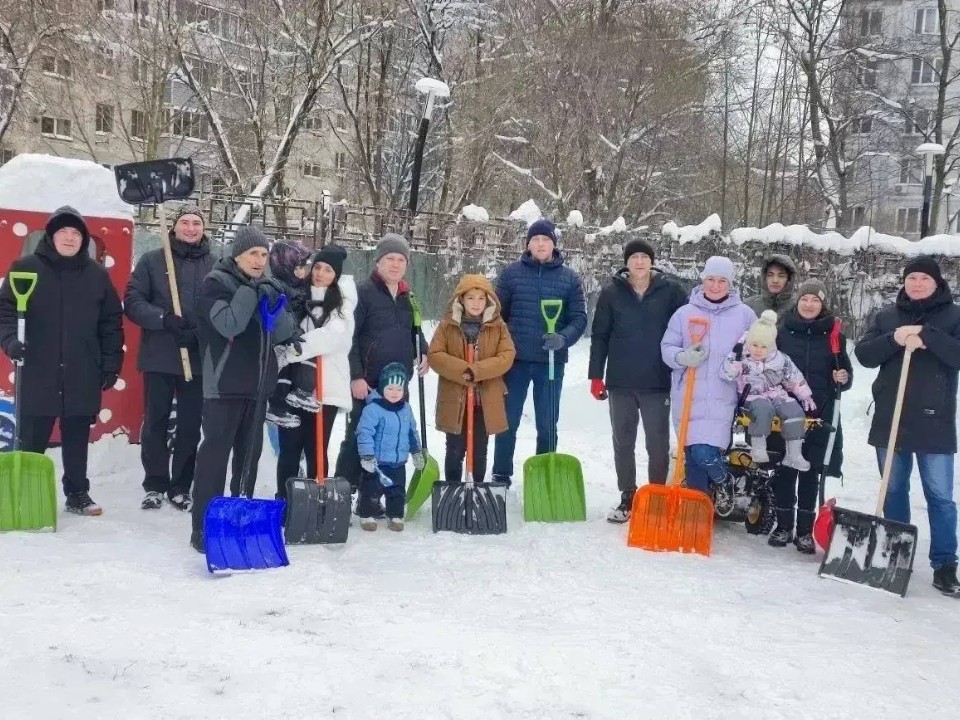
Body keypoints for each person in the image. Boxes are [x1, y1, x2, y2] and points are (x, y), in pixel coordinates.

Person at [0, 206, 124, 515]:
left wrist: (110, 363)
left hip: (82, 370)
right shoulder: (25, 268)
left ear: (83, 240)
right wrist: (10, 341)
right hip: (37, 369)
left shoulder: (97, 276)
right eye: (63, 232)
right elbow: (4, 312)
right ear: (51, 236)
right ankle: (24, 495)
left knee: (77, 438)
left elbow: (111, 323)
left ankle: (78, 494)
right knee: (31, 436)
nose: (70, 238)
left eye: (76, 233)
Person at [189, 226, 299, 552]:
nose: (259, 260)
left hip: (259, 385)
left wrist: (276, 305)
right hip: (223, 387)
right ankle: (204, 528)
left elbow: (283, 332)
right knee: (214, 459)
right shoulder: (215, 285)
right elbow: (229, 324)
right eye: (253, 253)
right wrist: (252, 292)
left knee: (249, 460)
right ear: (237, 254)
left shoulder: (266, 285)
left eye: (264, 255)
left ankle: (237, 520)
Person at [855, 256, 960, 596]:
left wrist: (927, 336)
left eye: (924, 279)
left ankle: (945, 565)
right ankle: (896, 555)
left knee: (940, 497)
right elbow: (865, 355)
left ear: (936, 282)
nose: (917, 283)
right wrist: (895, 339)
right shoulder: (887, 316)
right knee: (894, 489)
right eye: (911, 278)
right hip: (892, 418)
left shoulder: (955, 315)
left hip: (935, 420)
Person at [589, 238, 688, 523]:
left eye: (645, 257)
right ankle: (628, 497)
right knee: (623, 440)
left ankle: (656, 496)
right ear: (627, 262)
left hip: (657, 380)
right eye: (634, 257)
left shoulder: (671, 293)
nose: (640, 262)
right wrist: (596, 375)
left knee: (657, 443)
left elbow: (685, 330)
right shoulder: (612, 294)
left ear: (652, 261)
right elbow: (600, 336)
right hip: (620, 381)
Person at [124, 204, 214, 512]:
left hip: (198, 359)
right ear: (174, 227)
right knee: (156, 422)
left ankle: (180, 486)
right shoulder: (153, 261)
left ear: (204, 229)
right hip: (160, 355)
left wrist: (198, 333)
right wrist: (163, 319)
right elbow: (132, 301)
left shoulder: (215, 266)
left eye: (197, 223)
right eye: (185, 222)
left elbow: (222, 309)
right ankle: (155, 483)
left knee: (190, 424)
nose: (191, 227)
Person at [492, 218, 587, 487]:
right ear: (528, 244)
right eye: (536, 239)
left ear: (554, 245)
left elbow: (579, 318)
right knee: (508, 419)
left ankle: (544, 470)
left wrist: (563, 338)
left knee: (547, 422)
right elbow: (497, 315)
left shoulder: (569, 278)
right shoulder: (511, 274)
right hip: (515, 362)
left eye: (546, 240)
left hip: (551, 362)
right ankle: (501, 473)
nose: (541, 244)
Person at [336, 234, 427, 492]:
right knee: (359, 436)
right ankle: (344, 488)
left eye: (401, 259)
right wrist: (356, 376)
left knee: (390, 438)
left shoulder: (407, 297)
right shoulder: (363, 294)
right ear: (378, 262)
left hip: (397, 382)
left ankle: (376, 492)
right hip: (368, 383)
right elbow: (350, 338)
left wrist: (424, 351)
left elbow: (415, 331)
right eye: (390, 258)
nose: (395, 264)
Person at [660, 256, 755, 493]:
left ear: (730, 283)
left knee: (705, 451)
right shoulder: (684, 313)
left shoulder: (744, 315)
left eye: (722, 280)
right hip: (688, 396)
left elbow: (759, 353)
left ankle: (724, 484)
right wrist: (682, 357)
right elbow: (667, 348)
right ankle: (698, 514)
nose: (715, 285)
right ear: (703, 280)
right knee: (692, 456)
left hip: (723, 396)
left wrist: (740, 366)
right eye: (711, 279)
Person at [772, 279, 852, 553]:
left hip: (820, 410)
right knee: (784, 467)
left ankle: (805, 531)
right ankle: (783, 526)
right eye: (805, 299)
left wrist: (842, 376)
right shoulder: (782, 331)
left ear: (822, 304)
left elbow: (846, 375)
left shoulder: (834, 336)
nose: (809, 304)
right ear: (798, 301)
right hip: (787, 411)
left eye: (815, 300)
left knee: (809, 470)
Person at [274, 244, 356, 496]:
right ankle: (286, 501)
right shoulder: (298, 297)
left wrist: (292, 350)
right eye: (317, 267)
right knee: (289, 447)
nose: (320, 273)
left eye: (327, 270)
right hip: (293, 385)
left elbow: (331, 337)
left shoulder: (342, 306)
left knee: (316, 449)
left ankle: (315, 502)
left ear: (336, 275)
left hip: (325, 388)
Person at [429, 274, 516, 484]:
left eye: (480, 298)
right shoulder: (448, 326)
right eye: (470, 298)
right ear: (460, 299)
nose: (476, 303)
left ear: (488, 300)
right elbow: (435, 355)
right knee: (454, 450)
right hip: (455, 400)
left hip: (484, 402)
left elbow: (507, 356)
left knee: (479, 451)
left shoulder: (498, 327)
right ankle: (453, 490)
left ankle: (477, 489)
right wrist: (463, 370)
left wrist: (477, 371)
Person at [721, 309, 816, 471]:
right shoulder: (742, 358)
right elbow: (727, 374)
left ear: (771, 346)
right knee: (763, 409)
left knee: (794, 411)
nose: (758, 350)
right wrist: (735, 360)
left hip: (776, 394)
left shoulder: (781, 360)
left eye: (764, 346)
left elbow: (793, 377)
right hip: (751, 397)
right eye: (754, 345)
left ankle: (793, 454)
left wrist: (805, 395)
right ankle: (758, 447)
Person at [356, 362, 424, 531]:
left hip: (399, 461)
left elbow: (411, 431)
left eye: (399, 389)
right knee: (372, 489)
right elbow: (364, 433)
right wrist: (367, 456)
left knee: (397, 491)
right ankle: (367, 514)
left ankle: (395, 515)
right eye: (391, 388)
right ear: (383, 387)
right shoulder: (373, 409)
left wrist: (416, 451)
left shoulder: (406, 409)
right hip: (377, 462)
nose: (395, 393)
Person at [264, 240, 315, 428]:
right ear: (285, 266)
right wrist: (291, 333)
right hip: (281, 340)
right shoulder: (277, 286)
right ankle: (276, 407)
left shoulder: (300, 286)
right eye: (298, 267)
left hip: (294, 337)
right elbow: (281, 314)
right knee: (284, 370)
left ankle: (295, 395)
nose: (303, 272)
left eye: (304, 267)